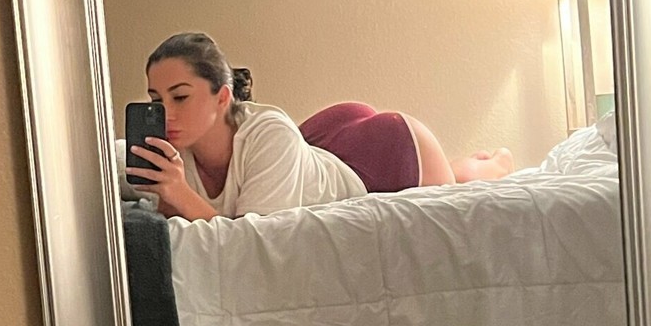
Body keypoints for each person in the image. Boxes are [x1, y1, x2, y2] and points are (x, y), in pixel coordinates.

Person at [125, 31, 514, 221]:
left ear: (222, 97)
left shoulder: (267, 134)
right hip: (319, 144)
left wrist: (178, 194)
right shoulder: (170, 149)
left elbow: (251, 243)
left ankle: (492, 165)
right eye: (156, 101)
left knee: (452, 189)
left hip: (380, 157)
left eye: (180, 97)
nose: (165, 113)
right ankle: (465, 165)